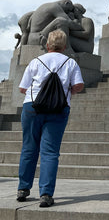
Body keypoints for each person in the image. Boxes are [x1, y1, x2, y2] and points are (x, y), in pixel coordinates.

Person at [17, 29, 84, 207]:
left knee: (29, 148)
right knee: (50, 152)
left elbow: (23, 88)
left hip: (32, 107)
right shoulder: (70, 62)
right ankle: (46, 194)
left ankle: (23, 189)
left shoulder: (36, 61)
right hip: (58, 108)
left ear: (47, 45)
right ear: (64, 46)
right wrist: (68, 89)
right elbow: (78, 86)